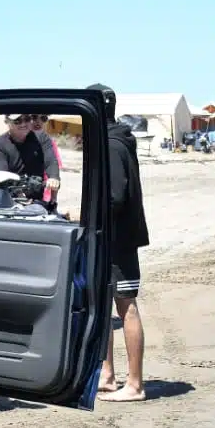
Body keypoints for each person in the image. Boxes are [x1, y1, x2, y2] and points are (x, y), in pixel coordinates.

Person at [88, 83, 150, 403]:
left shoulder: (111, 144)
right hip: (113, 239)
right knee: (103, 308)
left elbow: (114, 197)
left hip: (115, 240)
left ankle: (135, 384)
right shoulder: (113, 138)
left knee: (125, 307)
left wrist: (89, 219)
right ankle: (108, 374)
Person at [0, 114, 61, 207]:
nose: (23, 124)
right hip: (10, 200)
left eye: (27, 119)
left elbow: (51, 162)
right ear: (7, 122)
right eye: (17, 121)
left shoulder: (42, 138)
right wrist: (19, 193)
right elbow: (3, 175)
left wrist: (54, 178)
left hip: (37, 201)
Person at [28, 114, 64, 211]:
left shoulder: (49, 143)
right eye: (34, 117)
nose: (38, 122)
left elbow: (54, 174)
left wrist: (53, 201)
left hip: (42, 196)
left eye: (43, 118)